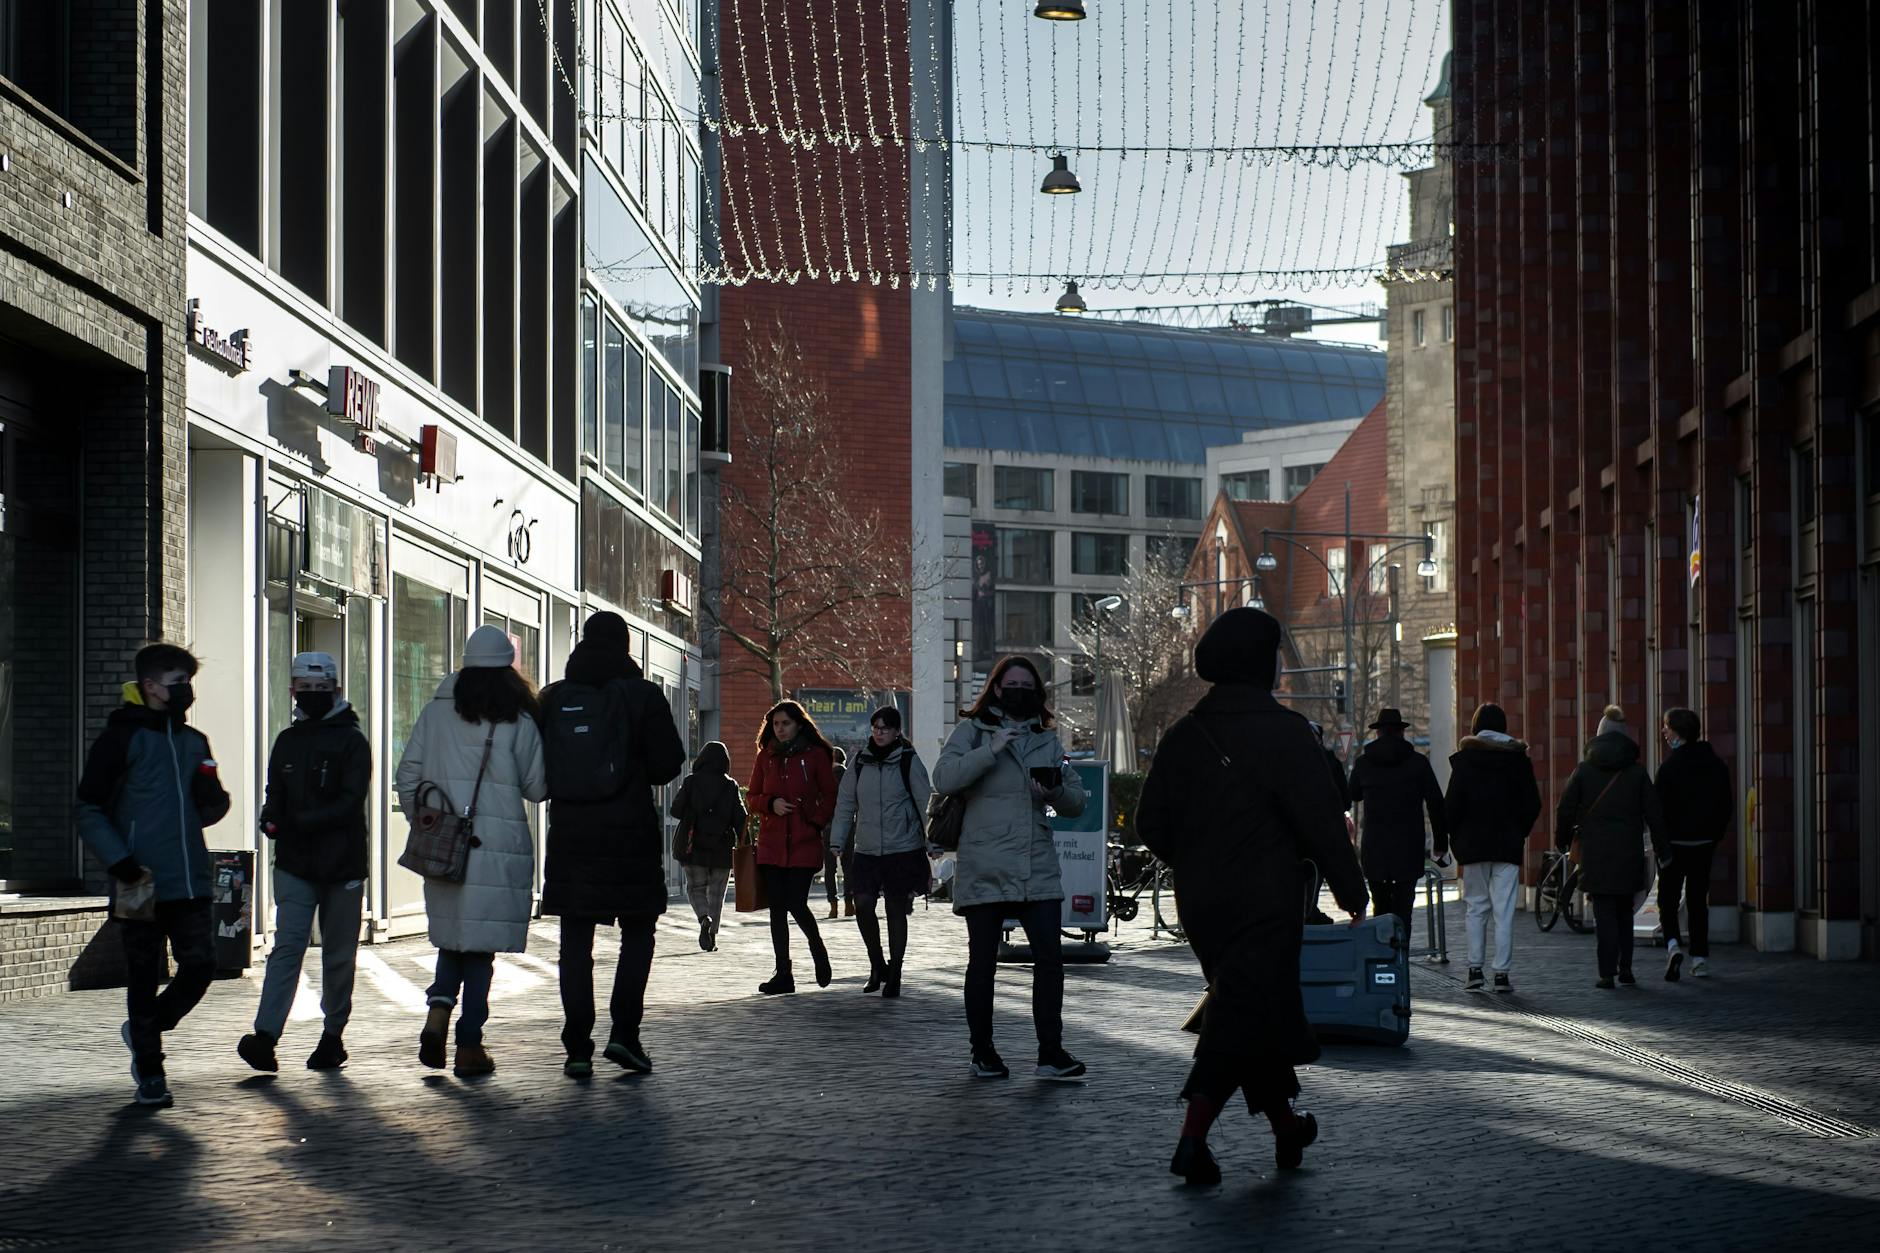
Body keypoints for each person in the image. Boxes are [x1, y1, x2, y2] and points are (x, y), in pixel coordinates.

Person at [1136, 608, 1368, 1185]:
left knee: (1245, 1004)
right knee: (1240, 1009)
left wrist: (1195, 863)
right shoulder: (1287, 732)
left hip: (1203, 903)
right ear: (1259, 661)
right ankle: (1191, 1139)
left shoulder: (1185, 735)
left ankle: (1286, 1125)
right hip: (1268, 897)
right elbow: (1320, 820)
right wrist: (1351, 890)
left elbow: (1149, 823)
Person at [75, 643, 231, 1108]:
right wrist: (119, 861)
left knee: (201, 966)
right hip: (137, 881)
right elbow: (88, 807)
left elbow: (208, 806)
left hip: (189, 881)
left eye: (189, 681)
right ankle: (150, 1070)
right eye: (177, 682)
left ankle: (147, 1026)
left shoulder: (193, 742)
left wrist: (214, 798)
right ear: (149, 686)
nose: (186, 691)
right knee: (142, 976)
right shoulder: (120, 739)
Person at [538, 612, 686, 1078]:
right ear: (625, 646)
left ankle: (577, 1045)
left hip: (570, 836)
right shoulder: (642, 696)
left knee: (575, 941)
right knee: (637, 933)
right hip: (630, 835)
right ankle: (625, 1034)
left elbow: (536, 769)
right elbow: (667, 765)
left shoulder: (553, 698)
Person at [395, 626, 547, 1076]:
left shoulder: (434, 714)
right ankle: (469, 1044)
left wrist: (427, 825)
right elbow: (538, 788)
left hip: (444, 846)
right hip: (497, 850)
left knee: (452, 939)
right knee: (479, 950)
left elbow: (408, 777)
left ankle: (439, 1009)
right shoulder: (520, 722)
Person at [932, 656, 1088, 1082]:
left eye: (1027, 684)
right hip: (984, 861)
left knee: (1050, 961)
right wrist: (991, 750)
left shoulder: (1047, 739)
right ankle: (983, 1051)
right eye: (1011, 683)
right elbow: (943, 779)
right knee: (983, 963)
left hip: (1035, 863)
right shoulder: (972, 731)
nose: (1019, 690)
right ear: (997, 689)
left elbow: (1076, 801)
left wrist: (1054, 791)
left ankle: (1050, 1053)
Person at [239, 652, 371, 1074]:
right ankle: (265, 1036)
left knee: (337, 955)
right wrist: (269, 814)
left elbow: (351, 802)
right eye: (305, 689)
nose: (312, 696)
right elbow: (274, 788)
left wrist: (294, 822)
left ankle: (333, 1036)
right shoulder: (287, 741)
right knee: (287, 948)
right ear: (294, 690)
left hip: (342, 866)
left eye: (320, 689)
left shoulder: (353, 742)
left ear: (335, 690)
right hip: (295, 862)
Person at [1555, 705, 1665, 988]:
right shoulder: (1637, 772)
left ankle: (1606, 972)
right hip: (1628, 849)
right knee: (1625, 910)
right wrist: (1663, 848)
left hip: (1595, 851)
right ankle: (1626, 968)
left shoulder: (1584, 770)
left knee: (1603, 912)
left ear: (1599, 736)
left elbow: (1565, 809)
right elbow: (1654, 813)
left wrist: (1562, 839)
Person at [828, 706, 932, 997]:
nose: (879, 732)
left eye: (885, 728)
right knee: (862, 904)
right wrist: (837, 839)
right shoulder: (861, 762)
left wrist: (932, 842)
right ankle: (878, 965)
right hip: (867, 848)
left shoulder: (908, 761)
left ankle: (895, 972)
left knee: (895, 909)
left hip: (903, 848)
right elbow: (845, 802)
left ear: (897, 731)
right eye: (875, 727)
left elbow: (925, 803)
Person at [1440, 703, 1542, 994]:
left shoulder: (1465, 760)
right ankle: (1501, 973)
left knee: (1476, 907)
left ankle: (1474, 969)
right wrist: (1518, 831)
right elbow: (1533, 803)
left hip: (1472, 846)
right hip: (1507, 845)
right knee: (1504, 909)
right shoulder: (1518, 760)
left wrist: (1455, 837)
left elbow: (1452, 806)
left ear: (1476, 727)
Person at [747, 701, 839, 994]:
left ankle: (817, 948)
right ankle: (783, 973)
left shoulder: (815, 755)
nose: (780, 729)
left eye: (785, 723)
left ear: (799, 724)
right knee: (776, 909)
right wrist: (770, 804)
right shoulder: (766, 757)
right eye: (776, 724)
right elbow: (752, 796)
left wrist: (815, 823)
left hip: (803, 842)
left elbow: (830, 794)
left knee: (796, 903)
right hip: (772, 844)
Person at [1347, 708, 1448, 934]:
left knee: (1380, 908)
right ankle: (1402, 958)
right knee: (1404, 910)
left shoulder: (1364, 763)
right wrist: (1440, 843)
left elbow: (1352, 794)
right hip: (1408, 847)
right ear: (1402, 732)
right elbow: (1436, 803)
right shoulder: (1418, 763)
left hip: (1375, 847)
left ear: (1378, 733)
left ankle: (1383, 960)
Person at [1654, 708, 1732, 981]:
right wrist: (1714, 836)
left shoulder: (1669, 768)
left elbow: (1658, 811)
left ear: (1679, 731)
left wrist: (1660, 843)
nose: (1664, 732)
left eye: (1667, 727)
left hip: (1674, 845)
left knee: (1668, 899)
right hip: (1703, 845)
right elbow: (1725, 805)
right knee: (1698, 900)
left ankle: (1673, 944)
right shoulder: (1715, 765)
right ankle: (1699, 958)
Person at [672, 741, 747, 954]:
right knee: (716, 892)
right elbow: (740, 818)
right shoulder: (730, 785)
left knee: (695, 888)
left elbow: (675, 809)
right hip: (721, 847)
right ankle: (711, 936)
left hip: (693, 844)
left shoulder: (691, 782)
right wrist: (746, 842)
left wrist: (692, 813)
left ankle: (704, 918)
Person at [823, 746, 854, 919]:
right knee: (848, 866)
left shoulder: (824, 778)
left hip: (828, 826)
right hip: (848, 826)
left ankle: (833, 906)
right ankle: (849, 904)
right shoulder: (849, 776)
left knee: (830, 868)